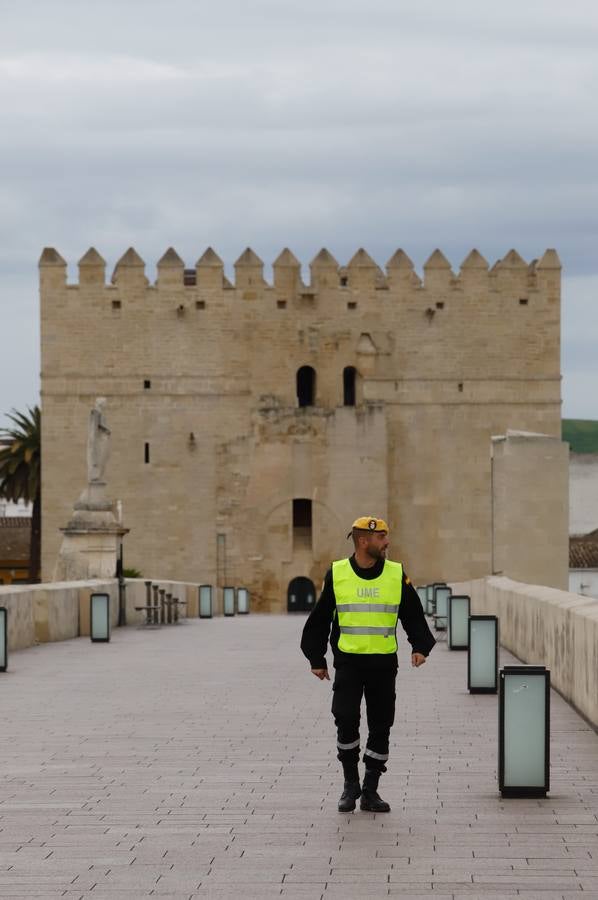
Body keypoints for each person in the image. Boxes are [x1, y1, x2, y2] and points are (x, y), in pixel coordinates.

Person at [300, 516, 435, 813]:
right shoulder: (337, 573)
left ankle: (371, 789)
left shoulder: (395, 573)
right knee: (345, 718)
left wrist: (420, 646)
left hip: (383, 664)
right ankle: (351, 784)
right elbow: (321, 616)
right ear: (363, 541)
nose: (387, 542)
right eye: (381, 537)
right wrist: (316, 658)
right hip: (348, 662)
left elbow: (412, 611)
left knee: (381, 724)